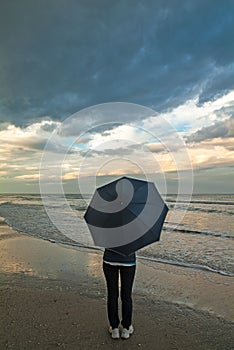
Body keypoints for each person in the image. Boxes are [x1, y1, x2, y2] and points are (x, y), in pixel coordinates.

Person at [103, 248, 136, 339]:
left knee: (112, 295)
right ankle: (126, 328)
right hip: (128, 261)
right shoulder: (133, 232)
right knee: (126, 296)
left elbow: (101, 239)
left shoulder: (107, 232)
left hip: (109, 260)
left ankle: (114, 328)